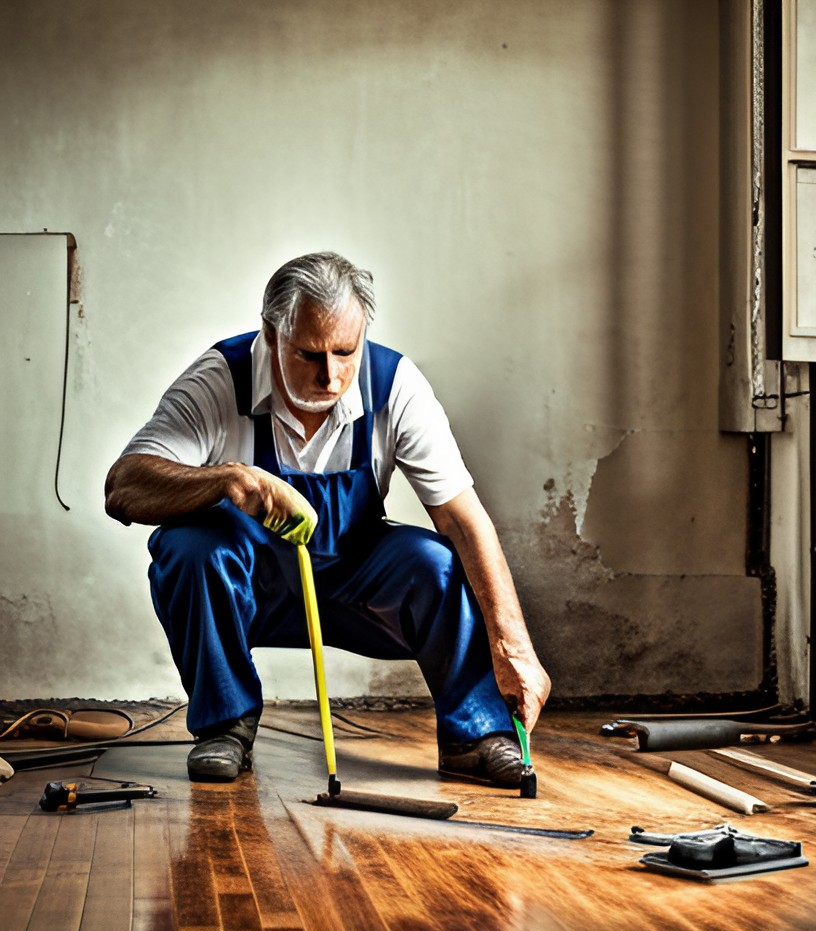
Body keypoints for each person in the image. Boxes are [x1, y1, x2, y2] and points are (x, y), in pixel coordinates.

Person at [105, 251, 551, 785]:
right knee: (188, 547)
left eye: (346, 351)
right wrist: (229, 480)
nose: (331, 375)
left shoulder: (395, 386)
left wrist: (513, 648)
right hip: (254, 593)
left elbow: (463, 521)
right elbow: (123, 486)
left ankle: (476, 735)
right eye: (309, 354)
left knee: (436, 560)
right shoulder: (221, 380)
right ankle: (225, 727)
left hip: (357, 589)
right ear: (271, 335)